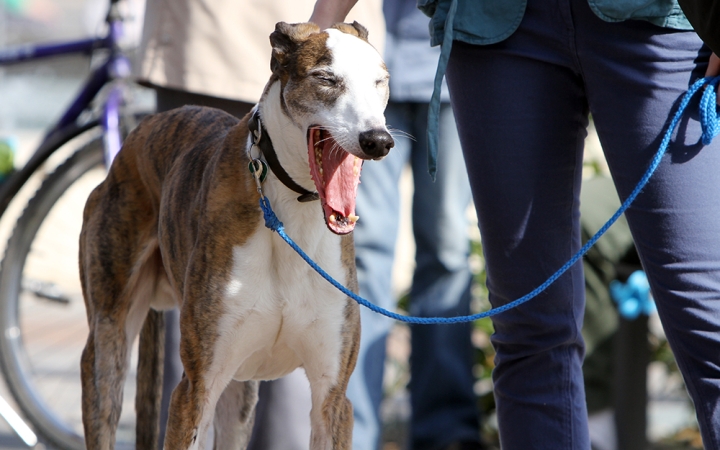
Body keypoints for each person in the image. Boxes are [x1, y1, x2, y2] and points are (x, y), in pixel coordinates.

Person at [311, 0, 720, 449]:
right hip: (497, 26)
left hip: (654, 23)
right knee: (530, 327)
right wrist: (321, 25)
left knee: (706, 312)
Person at [135, 1, 384, 448]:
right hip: (212, 43)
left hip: (299, 50)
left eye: (380, 84)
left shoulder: (353, 69)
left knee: (321, 398)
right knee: (202, 378)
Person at [347, 0, 482, 449]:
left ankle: (446, 433)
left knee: (446, 251)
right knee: (361, 254)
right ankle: (351, 430)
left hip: (450, 65)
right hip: (365, 78)